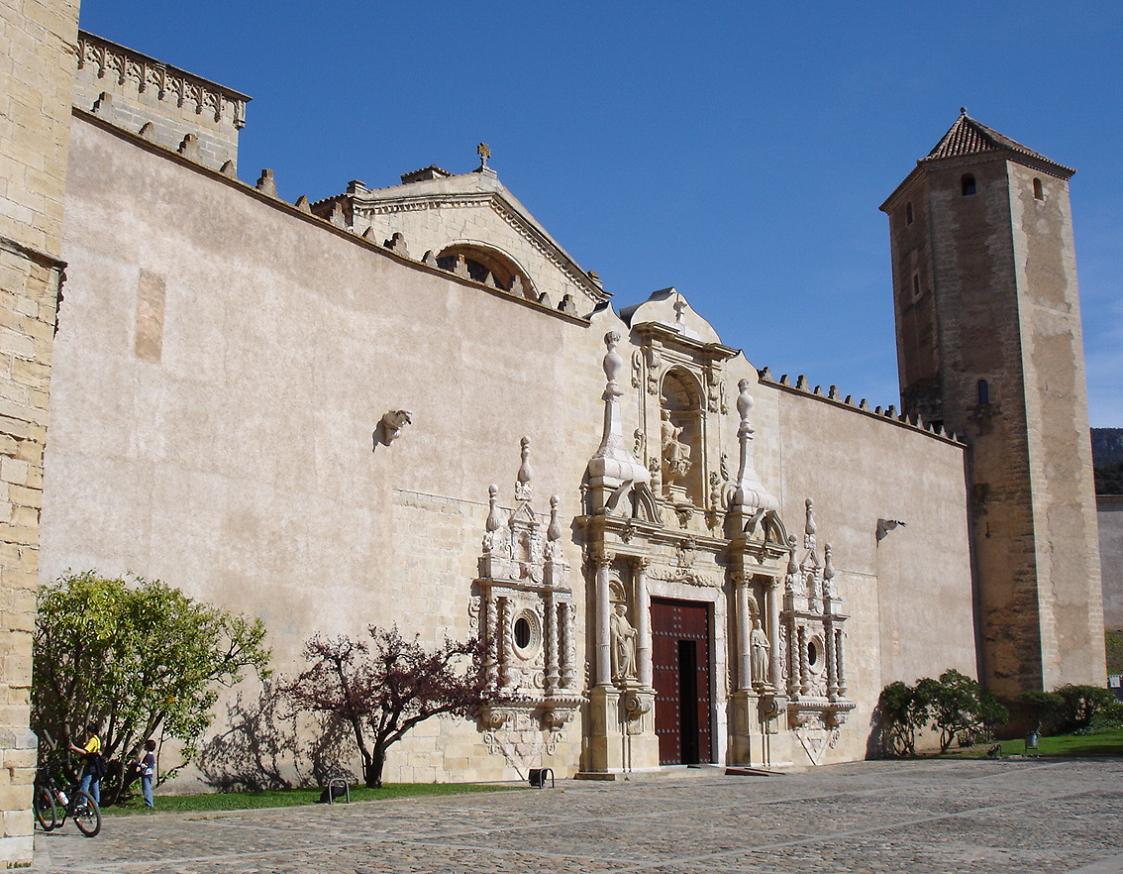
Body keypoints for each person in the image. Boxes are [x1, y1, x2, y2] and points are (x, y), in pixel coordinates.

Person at [69, 723, 102, 805]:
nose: (87, 733)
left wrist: (74, 747)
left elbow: (85, 752)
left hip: (90, 764)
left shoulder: (92, 740)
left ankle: (83, 802)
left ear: (91, 731)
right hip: (96, 764)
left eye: (88, 731)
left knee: (85, 783)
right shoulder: (97, 739)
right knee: (95, 783)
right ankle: (96, 803)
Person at [136, 739, 156, 809]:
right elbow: (153, 765)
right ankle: (149, 803)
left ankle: (149, 804)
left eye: (145, 745)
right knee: (148, 788)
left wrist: (137, 764)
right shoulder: (151, 756)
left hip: (146, 774)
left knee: (146, 789)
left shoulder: (148, 756)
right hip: (149, 774)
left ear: (147, 747)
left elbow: (144, 765)